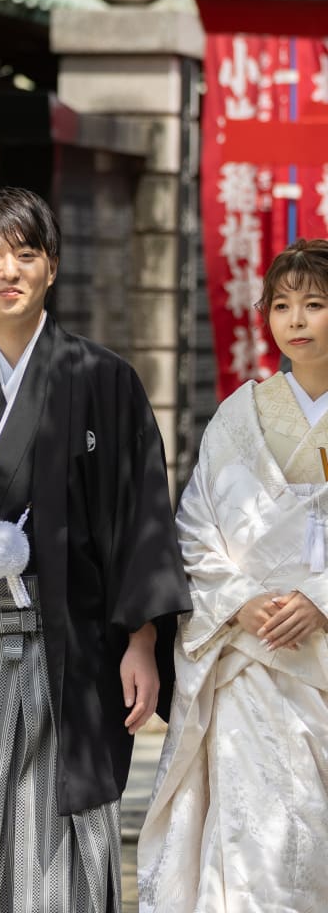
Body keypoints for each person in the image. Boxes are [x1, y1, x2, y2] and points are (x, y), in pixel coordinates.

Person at [0, 187, 190, 913]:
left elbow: (138, 512)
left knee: (60, 834)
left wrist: (142, 637)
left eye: (26, 254)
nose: (7, 270)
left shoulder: (103, 381)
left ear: (51, 267)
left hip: (71, 650)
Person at [138, 237, 328, 913]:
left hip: (322, 651)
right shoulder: (237, 415)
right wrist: (242, 601)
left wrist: (320, 599)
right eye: (282, 305)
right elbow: (194, 526)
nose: (297, 320)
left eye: (314, 304)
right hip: (246, 655)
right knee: (246, 836)